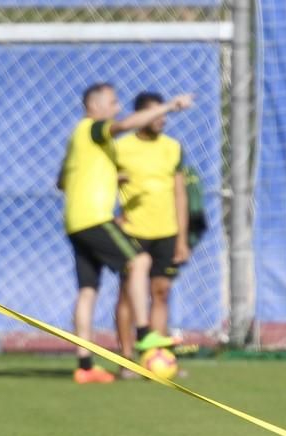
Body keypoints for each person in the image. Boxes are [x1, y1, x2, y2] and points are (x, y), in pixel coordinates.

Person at [57, 82, 193, 383]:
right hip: (94, 219)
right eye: (112, 102)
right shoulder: (93, 128)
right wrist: (170, 105)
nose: (117, 108)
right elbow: (123, 125)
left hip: (74, 222)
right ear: (94, 106)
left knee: (88, 290)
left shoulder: (79, 141)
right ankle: (145, 335)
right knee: (139, 262)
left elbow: (61, 181)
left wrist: (109, 176)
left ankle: (85, 365)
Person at [114, 91, 190, 370]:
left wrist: (181, 239)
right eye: (156, 114)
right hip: (133, 232)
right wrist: (113, 218)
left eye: (165, 114)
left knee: (161, 292)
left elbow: (179, 195)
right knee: (127, 295)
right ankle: (125, 359)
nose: (162, 120)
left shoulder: (172, 147)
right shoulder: (121, 147)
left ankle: (156, 358)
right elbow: (100, 182)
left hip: (166, 232)